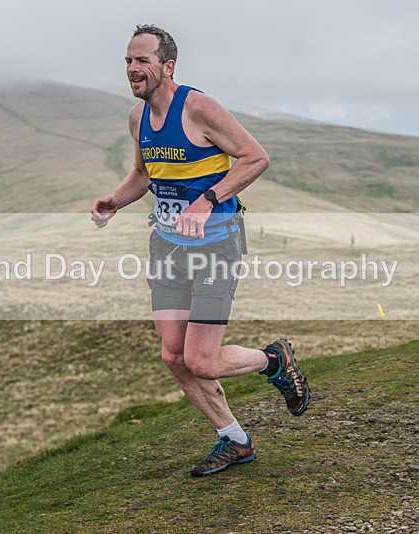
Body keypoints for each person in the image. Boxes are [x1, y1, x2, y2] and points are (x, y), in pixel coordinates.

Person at [91, 24, 310, 477]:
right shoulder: (137, 118)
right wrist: (115, 199)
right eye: (128, 61)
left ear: (167, 66)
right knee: (174, 356)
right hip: (167, 247)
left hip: (215, 245)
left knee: (201, 360)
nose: (132, 69)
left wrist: (207, 200)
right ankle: (235, 440)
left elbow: (255, 157)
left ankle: (275, 360)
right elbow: (144, 174)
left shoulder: (199, 108)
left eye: (142, 61)